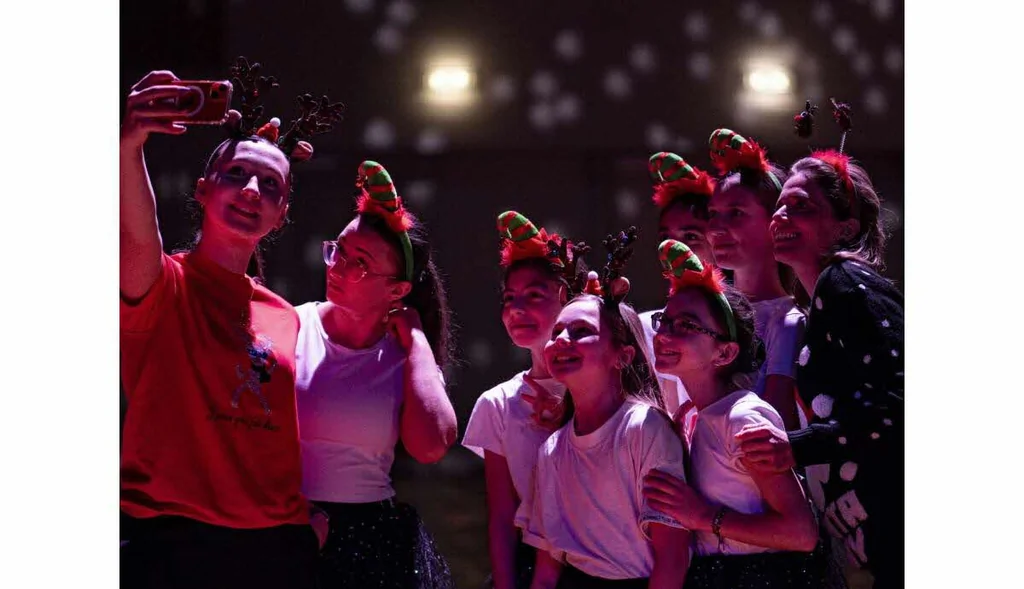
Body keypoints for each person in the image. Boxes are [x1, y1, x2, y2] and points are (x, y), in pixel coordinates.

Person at [120, 58, 342, 588]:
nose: (251, 190)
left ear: (281, 214)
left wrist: (301, 530)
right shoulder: (162, 283)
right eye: (236, 174)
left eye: (270, 184)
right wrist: (128, 147)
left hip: (274, 550)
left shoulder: (285, 315)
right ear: (203, 189)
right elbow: (136, 233)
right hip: (173, 543)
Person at [738, 143, 904, 589]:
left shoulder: (843, 281)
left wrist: (797, 447)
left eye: (801, 206)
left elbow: (902, 396)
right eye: (779, 206)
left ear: (845, 228)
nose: (780, 216)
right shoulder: (822, 302)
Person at [295, 160, 458, 588]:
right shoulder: (292, 325)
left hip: (368, 538)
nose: (337, 266)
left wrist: (417, 341)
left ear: (398, 290)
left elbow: (431, 446)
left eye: (360, 263)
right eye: (339, 250)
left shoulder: (405, 357)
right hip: (287, 521)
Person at [642, 240, 821, 588]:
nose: (663, 334)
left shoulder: (743, 418)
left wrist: (703, 516)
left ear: (725, 353)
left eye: (686, 325)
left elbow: (802, 533)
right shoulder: (691, 416)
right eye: (665, 321)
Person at [520, 228, 691, 589]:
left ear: (623, 356)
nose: (560, 341)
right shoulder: (552, 450)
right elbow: (547, 572)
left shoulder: (644, 428)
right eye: (556, 332)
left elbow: (672, 560)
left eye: (581, 331)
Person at [463, 211, 591, 589]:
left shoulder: (606, 392)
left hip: (603, 564)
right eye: (509, 298)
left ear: (569, 298)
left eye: (534, 295)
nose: (517, 308)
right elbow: (502, 516)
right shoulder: (498, 404)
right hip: (528, 569)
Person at [706, 129, 804, 428]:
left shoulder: (787, 322)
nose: (716, 229)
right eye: (712, 214)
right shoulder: (705, 312)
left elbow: (778, 426)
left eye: (736, 213)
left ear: (775, 221)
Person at [639, 152, 718, 424]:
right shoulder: (645, 328)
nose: (673, 248)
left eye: (690, 236)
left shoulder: (758, 320)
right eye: (666, 237)